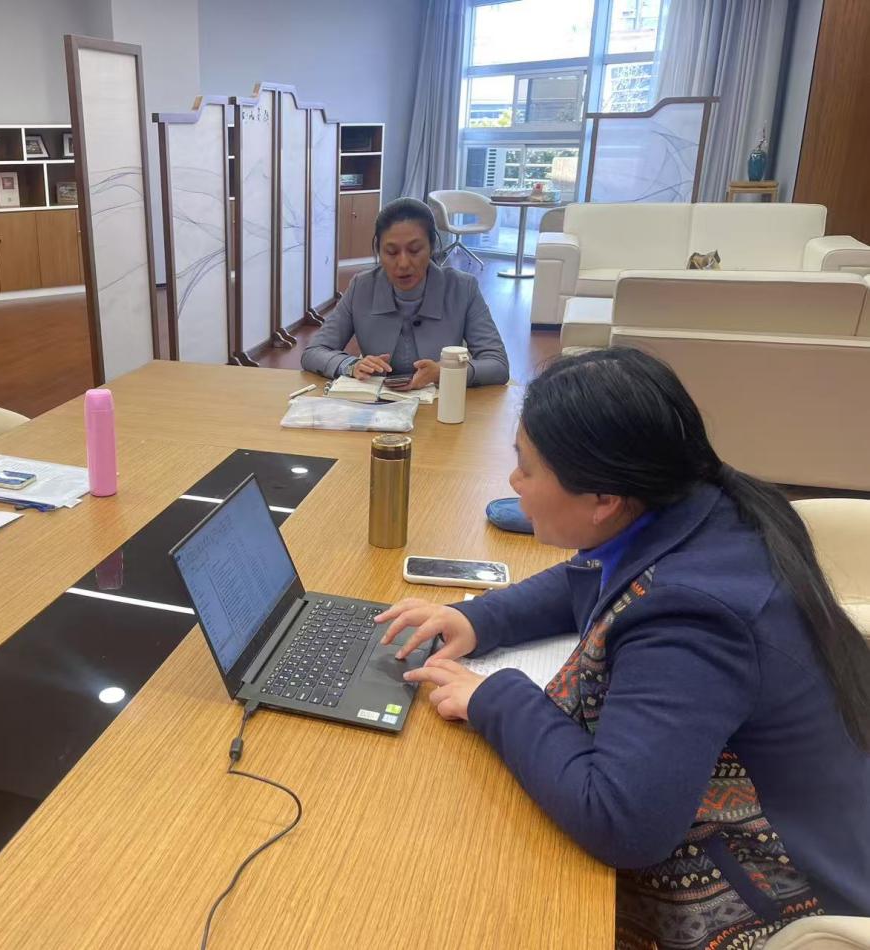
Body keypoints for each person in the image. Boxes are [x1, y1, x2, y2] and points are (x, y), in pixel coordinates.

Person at [378, 348, 870, 948]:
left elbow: (624, 824)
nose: (514, 483)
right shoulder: (699, 507)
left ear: (603, 499)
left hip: (788, 900)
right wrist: (476, 617)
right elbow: (593, 573)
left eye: (526, 467)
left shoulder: (693, 616)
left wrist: (495, 698)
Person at [300, 197, 508, 390]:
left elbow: (497, 364)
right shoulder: (362, 287)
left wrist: (447, 372)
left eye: (415, 250)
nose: (403, 264)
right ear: (378, 250)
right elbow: (314, 352)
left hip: (442, 406)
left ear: (432, 247)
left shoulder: (462, 288)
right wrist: (350, 365)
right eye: (391, 252)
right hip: (376, 407)